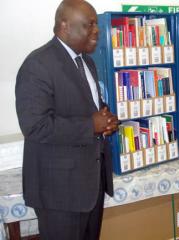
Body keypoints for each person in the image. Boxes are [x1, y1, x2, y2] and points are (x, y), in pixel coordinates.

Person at [15, 0, 118, 239]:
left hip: (90, 185)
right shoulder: (37, 65)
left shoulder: (87, 62)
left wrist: (106, 118)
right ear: (64, 26)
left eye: (96, 24)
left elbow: (86, 107)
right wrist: (91, 125)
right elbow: (34, 126)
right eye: (89, 24)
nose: (97, 30)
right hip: (59, 192)